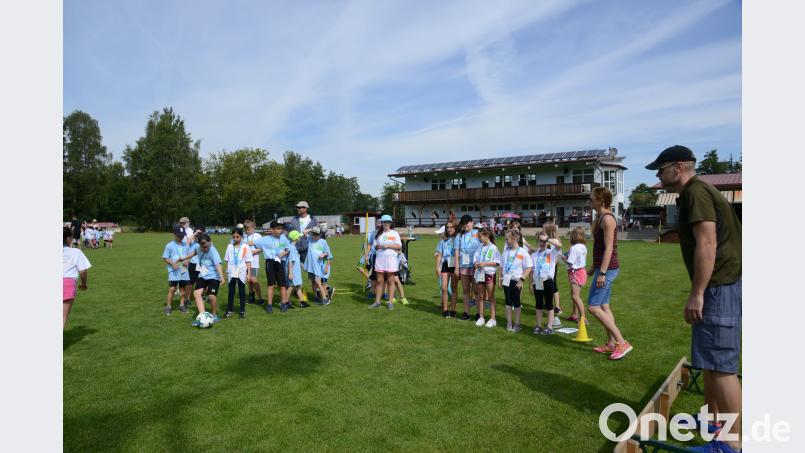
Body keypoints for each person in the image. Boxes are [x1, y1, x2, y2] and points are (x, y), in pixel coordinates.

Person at [647, 145, 742, 452]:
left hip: (718, 287)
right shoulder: (695, 192)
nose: (658, 175)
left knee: (722, 366)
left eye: (661, 169)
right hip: (721, 285)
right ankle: (713, 421)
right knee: (712, 361)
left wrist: (697, 293)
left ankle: (733, 443)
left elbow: (707, 243)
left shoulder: (695, 192)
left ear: (678, 167)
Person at [587, 186, 632, 360]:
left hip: (609, 269)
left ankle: (622, 342)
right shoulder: (599, 217)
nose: (589, 201)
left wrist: (602, 273)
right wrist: (594, 267)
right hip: (602, 267)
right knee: (604, 306)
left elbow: (609, 249)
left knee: (593, 307)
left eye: (592, 199)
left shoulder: (607, 219)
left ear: (601, 200)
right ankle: (612, 343)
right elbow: (599, 248)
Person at [250, 220, 290, 313]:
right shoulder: (265, 239)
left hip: (280, 262)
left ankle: (283, 304)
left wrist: (283, 253)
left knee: (282, 285)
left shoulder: (283, 238)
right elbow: (251, 243)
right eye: (278, 228)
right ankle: (269, 305)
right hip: (270, 263)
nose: (280, 230)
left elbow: (288, 249)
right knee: (271, 285)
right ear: (272, 229)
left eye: (281, 228)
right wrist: (237, 244)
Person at [499, 229, 532, 333]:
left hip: (516, 280)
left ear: (514, 239)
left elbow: (529, 267)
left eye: (507, 239)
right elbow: (501, 265)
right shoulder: (506, 252)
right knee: (508, 301)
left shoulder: (522, 252)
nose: (506, 241)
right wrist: (500, 278)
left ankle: (517, 323)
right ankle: (509, 323)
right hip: (506, 280)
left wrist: (522, 279)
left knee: (516, 302)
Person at [529, 233, 562, 335]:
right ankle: (538, 326)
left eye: (544, 241)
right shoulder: (534, 255)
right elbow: (532, 270)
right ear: (538, 242)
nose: (542, 243)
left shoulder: (551, 252)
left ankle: (549, 327)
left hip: (547, 280)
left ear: (547, 242)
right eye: (540, 241)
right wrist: (530, 284)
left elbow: (559, 245)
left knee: (549, 304)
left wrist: (547, 239)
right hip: (537, 281)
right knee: (538, 304)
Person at [189, 234, 224, 323]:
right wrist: (184, 258)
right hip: (203, 275)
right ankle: (203, 316)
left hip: (214, 276)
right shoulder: (198, 248)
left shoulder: (213, 251)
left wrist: (222, 278)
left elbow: (218, 264)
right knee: (197, 293)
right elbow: (195, 252)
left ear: (210, 242)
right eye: (203, 247)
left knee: (211, 296)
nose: (205, 249)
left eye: (206, 247)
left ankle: (214, 315)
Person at [369, 215, 401, 310]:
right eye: (384, 222)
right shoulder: (378, 234)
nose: (386, 223)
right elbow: (375, 246)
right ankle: (377, 302)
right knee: (379, 281)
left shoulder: (394, 233)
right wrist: (377, 246)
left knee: (391, 281)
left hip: (391, 261)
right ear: (382, 223)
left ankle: (390, 302)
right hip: (380, 260)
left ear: (390, 223)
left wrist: (387, 246)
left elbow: (399, 246)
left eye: (388, 222)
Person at [63, 227, 91, 328]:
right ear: (68, 238)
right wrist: (84, 284)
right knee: (62, 317)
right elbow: (83, 271)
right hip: (67, 283)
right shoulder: (76, 252)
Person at [473, 227, 500, 328]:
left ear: (487, 236)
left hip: (489, 274)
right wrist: (476, 263)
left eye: (480, 236)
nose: (479, 238)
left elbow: (498, 262)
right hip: (480, 274)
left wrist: (485, 264)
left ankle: (493, 319)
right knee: (481, 296)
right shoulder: (480, 247)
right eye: (478, 236)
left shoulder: (493, 248)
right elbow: (475, 258)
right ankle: (481, 317)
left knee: (491, 296)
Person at [162, 224, 191, 315]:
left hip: (184, 270)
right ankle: (168, 306)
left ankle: (182, 305)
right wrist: (173, 263)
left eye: (182, 235)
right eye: (179, 235)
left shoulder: (186, 245)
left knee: (182, 289)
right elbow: (165, 258)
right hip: (174, 271)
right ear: (174, 234)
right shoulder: (169, 245)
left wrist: (187, 261)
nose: (181, 237)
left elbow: (189, 255)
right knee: (172, 289)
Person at [224, 228, 252, 319]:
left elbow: (248, 261)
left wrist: (248, 273)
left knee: (241, 291)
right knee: (231, 291)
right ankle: (229, 310)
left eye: (237, 237)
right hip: (231, 271)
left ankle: (242, 311)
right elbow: (227, 260)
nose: (235, 239)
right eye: (234, 237)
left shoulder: (245, 246)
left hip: (242, 271)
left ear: (241, 236)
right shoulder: (229, 246)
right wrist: (226, 271)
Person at [457, 214, 481, 320]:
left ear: (472, 222)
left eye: (467, 223)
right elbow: (457, 251)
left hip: (476, 266)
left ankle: (479, 313)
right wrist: (457, 267)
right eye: (464, 223)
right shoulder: (460, 236)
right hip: (464, 265)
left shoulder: (478, 233)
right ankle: (466, 312)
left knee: (476, 290)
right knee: (465, 289)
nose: (465, 225)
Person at [563, 227, 588, 324]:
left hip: (575, 272)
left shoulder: (573, 248)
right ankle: (574, 315)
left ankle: (583, 318)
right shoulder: (583, 246)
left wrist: (564, 258)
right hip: (581, 271)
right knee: (575, 295)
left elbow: (570, 262)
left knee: (575, 296)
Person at [435, 221, 460, 318]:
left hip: (454, 263)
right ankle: (445, 310)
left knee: (454, 288)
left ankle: (453, 310)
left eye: (451, 227)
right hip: (445, 264)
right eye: (448, 227)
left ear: (455, 228)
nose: (449, 229)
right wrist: (437, 267)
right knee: (444, 288)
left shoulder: (458, 239)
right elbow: (439, 254)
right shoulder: (443, 240)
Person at [305, 227, 333, 305]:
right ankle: (316, 297)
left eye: (316, 234)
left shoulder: (323, 242)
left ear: (320, 235)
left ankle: (325, 299)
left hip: (318, 266)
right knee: (313, 282)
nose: (314, 236)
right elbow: (304, 232)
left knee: (318, 282)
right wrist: (312, 229)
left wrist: (323, 254)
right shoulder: (310, 239)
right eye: (313, 234)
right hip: (310, 266)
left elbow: (328, 253)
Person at [243, 220, 266, 306]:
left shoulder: (257, 236)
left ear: (253, 228)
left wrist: (253, 252)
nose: (247, 231)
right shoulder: (244, 238)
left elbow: (262, 248)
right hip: (245, 262)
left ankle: (260, 298)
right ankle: (251, 297)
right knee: (249, 280)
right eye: (246, 229)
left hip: (254, 262)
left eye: (248, 229)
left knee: (253, 279)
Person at [286, 231, 310, 308]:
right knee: (291, 287)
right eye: (299, 236)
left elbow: (296, 259)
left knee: (298, 286)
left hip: (295, 270)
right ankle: (285, 302)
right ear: (296, 238)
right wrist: (290, 273)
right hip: (293, 271)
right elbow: (291, 261)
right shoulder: (292, 248)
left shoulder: (292, 247)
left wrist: (302, 265)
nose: (300, 237)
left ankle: (302, 302)